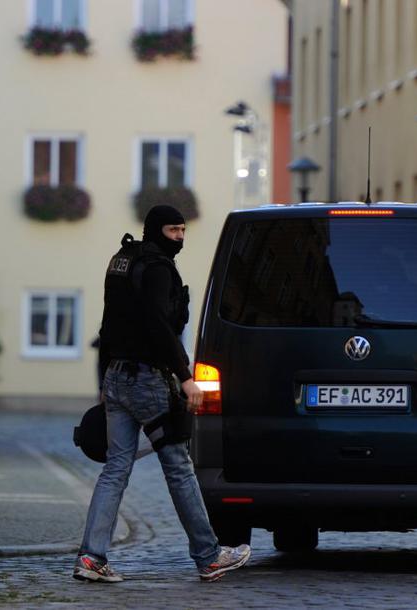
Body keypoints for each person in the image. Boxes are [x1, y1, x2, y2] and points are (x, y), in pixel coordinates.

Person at [73, 205, 251, 583]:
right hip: (148, 381)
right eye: (173, 230)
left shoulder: (121, 261)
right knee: (179, 468)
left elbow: (107, 324)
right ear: (156, 230)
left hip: (118, 377)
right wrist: (185, 376)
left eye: (183, 230)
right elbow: (158, 325)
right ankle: (209, 556)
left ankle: (91, 557)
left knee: (116, 468)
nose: (180, 238)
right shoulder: (159, 269)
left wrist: (105, 381)